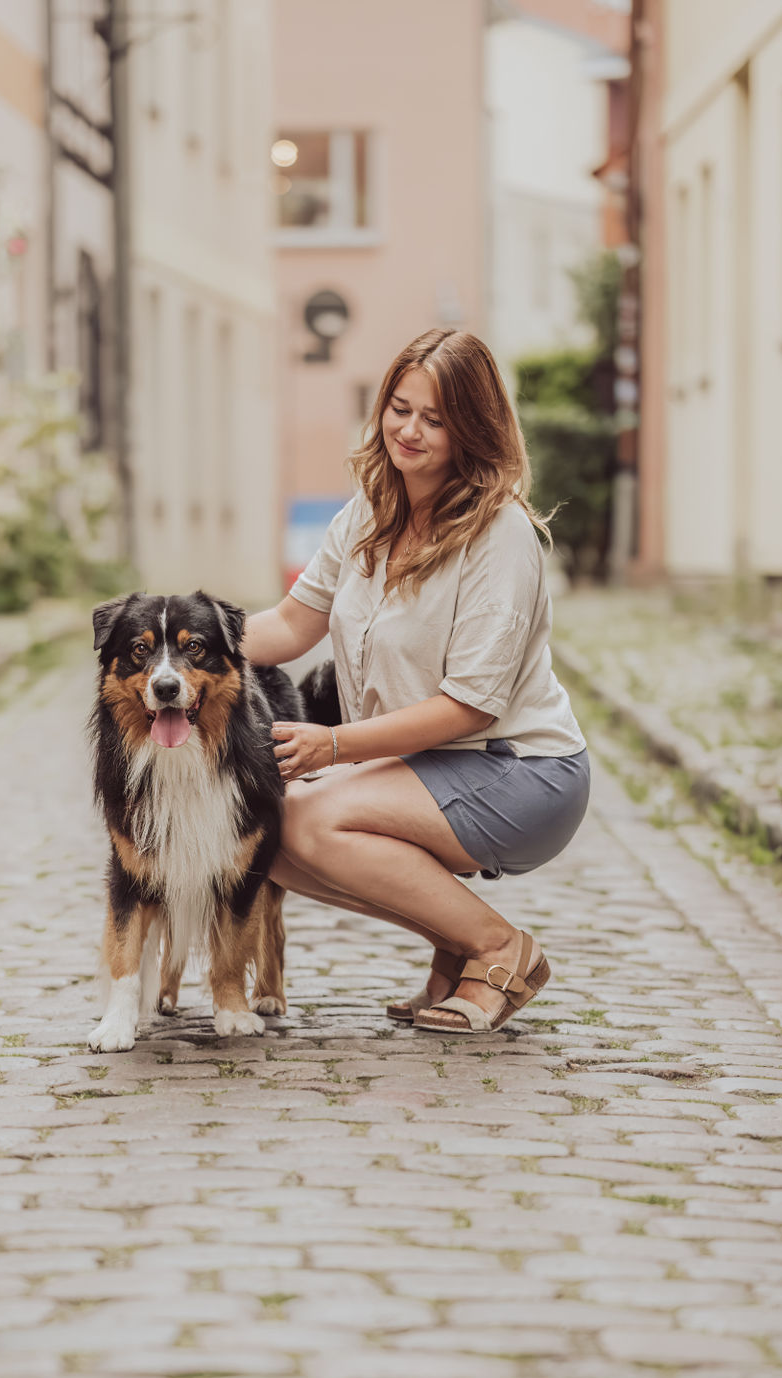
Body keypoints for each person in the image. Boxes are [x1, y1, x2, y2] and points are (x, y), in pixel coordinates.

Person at [241, 328, 589, 1034]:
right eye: (400, 408)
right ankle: (458, 945)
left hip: (520, 771)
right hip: (426, 765)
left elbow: (467, 707)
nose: (409, 430)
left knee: (308, 815)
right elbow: (289, 624)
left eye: (434, 418)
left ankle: (496, 949)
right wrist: (174, 642)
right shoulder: (368, 512)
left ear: (471, 429)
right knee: (264, 827)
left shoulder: (502, 536)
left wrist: (333, 746)